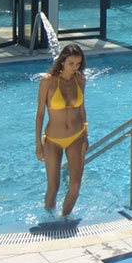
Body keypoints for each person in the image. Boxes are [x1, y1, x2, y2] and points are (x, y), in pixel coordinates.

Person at [35, 43, 89, 216]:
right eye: (71, 63)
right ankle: (49, 219)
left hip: (77, 136)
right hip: (53, 139)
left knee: (75, 186)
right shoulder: (48, 81)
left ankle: (64, 219)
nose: (74, 68)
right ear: (62, 61)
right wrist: (38, 143)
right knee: (53, 186)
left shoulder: (80, 80)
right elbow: (40, 114)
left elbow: (81, 109)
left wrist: (86, 135)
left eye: (78, 64)